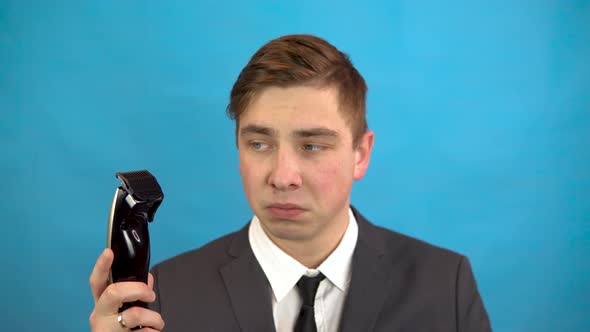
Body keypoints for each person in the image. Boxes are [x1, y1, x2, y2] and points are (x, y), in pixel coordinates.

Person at [89, 34, 492, 332]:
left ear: (361, 154)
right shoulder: (165, 293)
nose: (282, 177)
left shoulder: (446, 285)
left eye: (313, 145)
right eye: (259, 143)